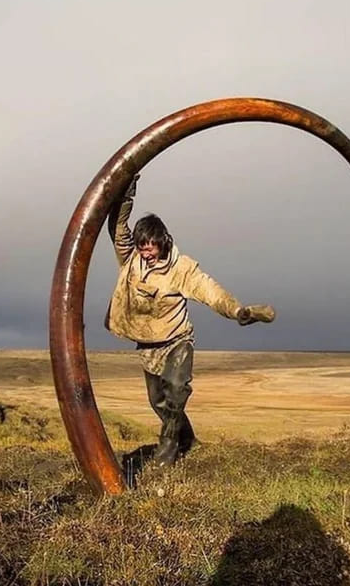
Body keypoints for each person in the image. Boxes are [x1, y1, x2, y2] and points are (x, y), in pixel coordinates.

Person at [105, 174, 275, 467]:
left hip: (177, 340)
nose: (145, 252)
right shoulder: (131, 259)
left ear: (162, 242)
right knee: (158, 401)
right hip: (148, 345)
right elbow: (118, 228)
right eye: (141, 246)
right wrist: (125, 194)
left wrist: (237, 311)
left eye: (150, 247)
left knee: (176, 389)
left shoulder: (181, 268)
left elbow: (209, 290)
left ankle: (167, 449)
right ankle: (188, 440)